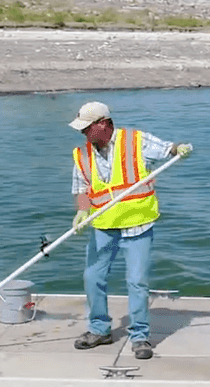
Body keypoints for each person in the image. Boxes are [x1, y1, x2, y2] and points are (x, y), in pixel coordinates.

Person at [68, 100, 192, 360]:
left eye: (87, 127)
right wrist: (82, 210)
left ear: (104, 124)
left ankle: (139, 336)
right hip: (103, 226)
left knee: (137, 281)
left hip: (137, 224)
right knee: (92, 277)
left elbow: (167, 149)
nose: (83, 133)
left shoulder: (135, 141)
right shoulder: (82, 154)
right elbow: (81, 187)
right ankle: (99, 329)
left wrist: (179, 149)